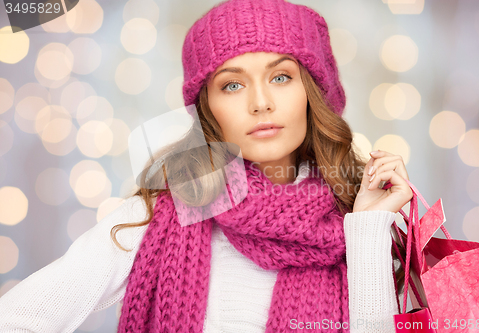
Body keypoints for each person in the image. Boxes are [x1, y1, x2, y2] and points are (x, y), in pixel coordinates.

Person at [0, 0, 414, 332]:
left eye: (281, 77)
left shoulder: (360, 223)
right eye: (232, 84)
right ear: (208, 108)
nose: (260, 102)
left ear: (312, 92)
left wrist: (366, 229)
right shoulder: (159, 215)